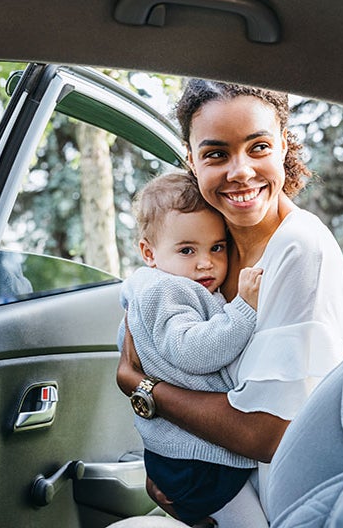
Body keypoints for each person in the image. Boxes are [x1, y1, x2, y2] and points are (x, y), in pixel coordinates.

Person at [117, 79, 343, 526]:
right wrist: (174, 471)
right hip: (219, 488)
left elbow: (266, 433)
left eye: (258, 147)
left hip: (284, 502)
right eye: (216, 154)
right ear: (191, 160)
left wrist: (142, 387)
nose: (240, 172)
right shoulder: (215, 241)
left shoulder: (300, 250)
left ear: (283, 147)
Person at [117, 172, 264, 526]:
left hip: (187, 454)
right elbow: (193, 352)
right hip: (195, 460)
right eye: (187, 250)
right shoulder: (166, 290)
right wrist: (243, 309)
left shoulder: (163, 286)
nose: (205, 262)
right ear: (149, 253)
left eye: (217, 247)